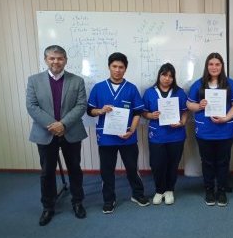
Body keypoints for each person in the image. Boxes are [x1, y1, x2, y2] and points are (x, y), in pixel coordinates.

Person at [26, 45, 87, 226]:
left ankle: (77, 202)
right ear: (45, 60)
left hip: (71, 131)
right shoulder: (34, 80)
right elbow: (32, 106)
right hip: (45, 133)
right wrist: (53, 125)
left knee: (75, 169)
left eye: (60, 58)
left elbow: (81, 105)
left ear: (66, 60)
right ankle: (48, 207)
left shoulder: (77, 81)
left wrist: (63, 124)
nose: (56, 62)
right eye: (52, 58)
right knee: (47, 172)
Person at [87, 52, 149, 214]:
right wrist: (100, 110)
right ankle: (109, 199)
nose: (117, 70)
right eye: (114, 66)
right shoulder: (99, 88)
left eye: (121, 67)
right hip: (106, 137)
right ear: (109, 67)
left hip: (127, 136)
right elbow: (89, 111)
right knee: (107, 170)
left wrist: (132, 130)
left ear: (125, 69)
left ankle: (137, 194)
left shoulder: (131, 88)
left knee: (131, 167)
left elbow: (137, 112)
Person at [187, 53, 233, 206]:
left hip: (225, 131)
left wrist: (226, 118)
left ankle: (222, 190)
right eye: (211, 64)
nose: (214, 67)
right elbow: (189, 104)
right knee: (207, 162)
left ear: (222, 66)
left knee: (223, 162)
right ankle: (209, 190)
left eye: (217, 64)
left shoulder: (230, 84)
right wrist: (199, 106)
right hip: (204, 132)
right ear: (207, 66)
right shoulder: (198, 84)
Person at [142, 63, 188, 205]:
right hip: (157, 135)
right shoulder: (149, 92)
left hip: (176, 135)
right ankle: (159, 190)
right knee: (157, 164)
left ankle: (169, 190)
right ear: (159, 75)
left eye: (170, 76)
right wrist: (151, 115)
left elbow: (185, 111)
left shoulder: (179, 92)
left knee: (173, 164)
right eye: (164, 75)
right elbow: (143, 112)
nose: (167, 78)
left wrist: (182, 122)